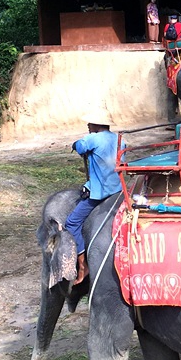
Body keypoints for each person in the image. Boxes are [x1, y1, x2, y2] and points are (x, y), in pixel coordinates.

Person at [64, 109, 123, 284]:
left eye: (89, 124)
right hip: (117, 189)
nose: (88, 126)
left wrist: (75, 144)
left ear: (96, 125)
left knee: (72, 222)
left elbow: (79, 146)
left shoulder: (92, 139)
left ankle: (83, 266)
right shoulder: (120, 139)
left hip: (100, 192)